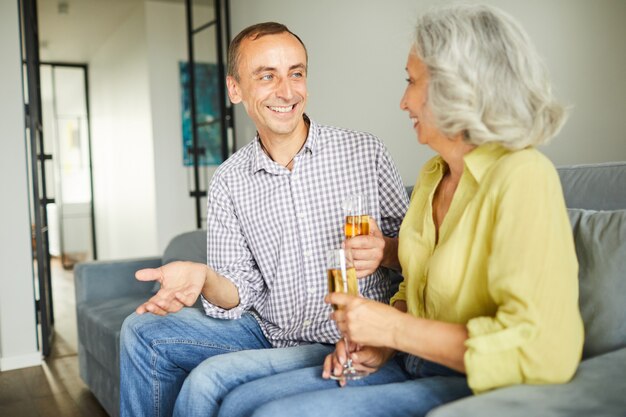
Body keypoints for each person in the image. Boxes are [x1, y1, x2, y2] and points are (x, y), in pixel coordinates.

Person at [206, 5, 585, 417]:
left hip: (471, 380)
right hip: (404, 360)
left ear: (456, 88)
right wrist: (383, 342)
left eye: (412, 81)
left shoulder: (524, 175)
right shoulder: (433, 175)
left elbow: (543, 349)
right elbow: (411, 289)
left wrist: (390, 328)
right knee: (238, 401)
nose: (404, 101)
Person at [118, 22, 409, 417]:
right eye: (267, 76)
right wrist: (204, 277)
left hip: (347, 334)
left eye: (296, 73)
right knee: (141, 332)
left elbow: (418, 260)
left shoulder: (364, 152)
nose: (287, 91)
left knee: (208, 382)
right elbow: (239, 290)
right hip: (268, 331)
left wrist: (387, 250)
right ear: (235, 89)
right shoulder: (229, 179)